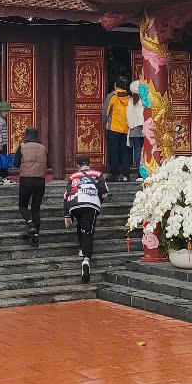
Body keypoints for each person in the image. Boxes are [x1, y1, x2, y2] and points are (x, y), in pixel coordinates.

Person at [64, 155, 110, 283]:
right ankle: (86, 259)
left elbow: (66, 196)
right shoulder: (98, 174)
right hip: (90, 204)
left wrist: (67, 215)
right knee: (88, 231)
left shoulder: (72, 177)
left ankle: (82, 248)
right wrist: (98, 201)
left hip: (75, 205)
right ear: (89, 164)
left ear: (77, 165)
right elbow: (104, 193)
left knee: (80, 224)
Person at [13, 127, 48, 246]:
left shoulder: (22, 147)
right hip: (40, 181)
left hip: (26, 180)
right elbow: (49, 164)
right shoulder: (43, 148)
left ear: (26, 137)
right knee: (35, 209)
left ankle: (30, 223)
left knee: (23, 206)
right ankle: (35, 238)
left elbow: (15, 164)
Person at [102, 79, 132, 181]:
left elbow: (105, 112)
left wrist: (104, 123)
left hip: (113, 128)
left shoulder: (112, 96)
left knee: (113, 152)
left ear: (115, 85)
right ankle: (125, 175)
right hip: (126, 129)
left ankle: (114, 174)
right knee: (125, 152)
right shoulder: (129, 97)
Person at [126, 80, 145, 181]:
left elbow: (128, 115)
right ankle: (146, 170)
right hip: (145, 128)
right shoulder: (145, 100)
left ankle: (139, 172)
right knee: (146, 150)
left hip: (134, 129)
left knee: (138, 151)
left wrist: (130, 126)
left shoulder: (131, 101)